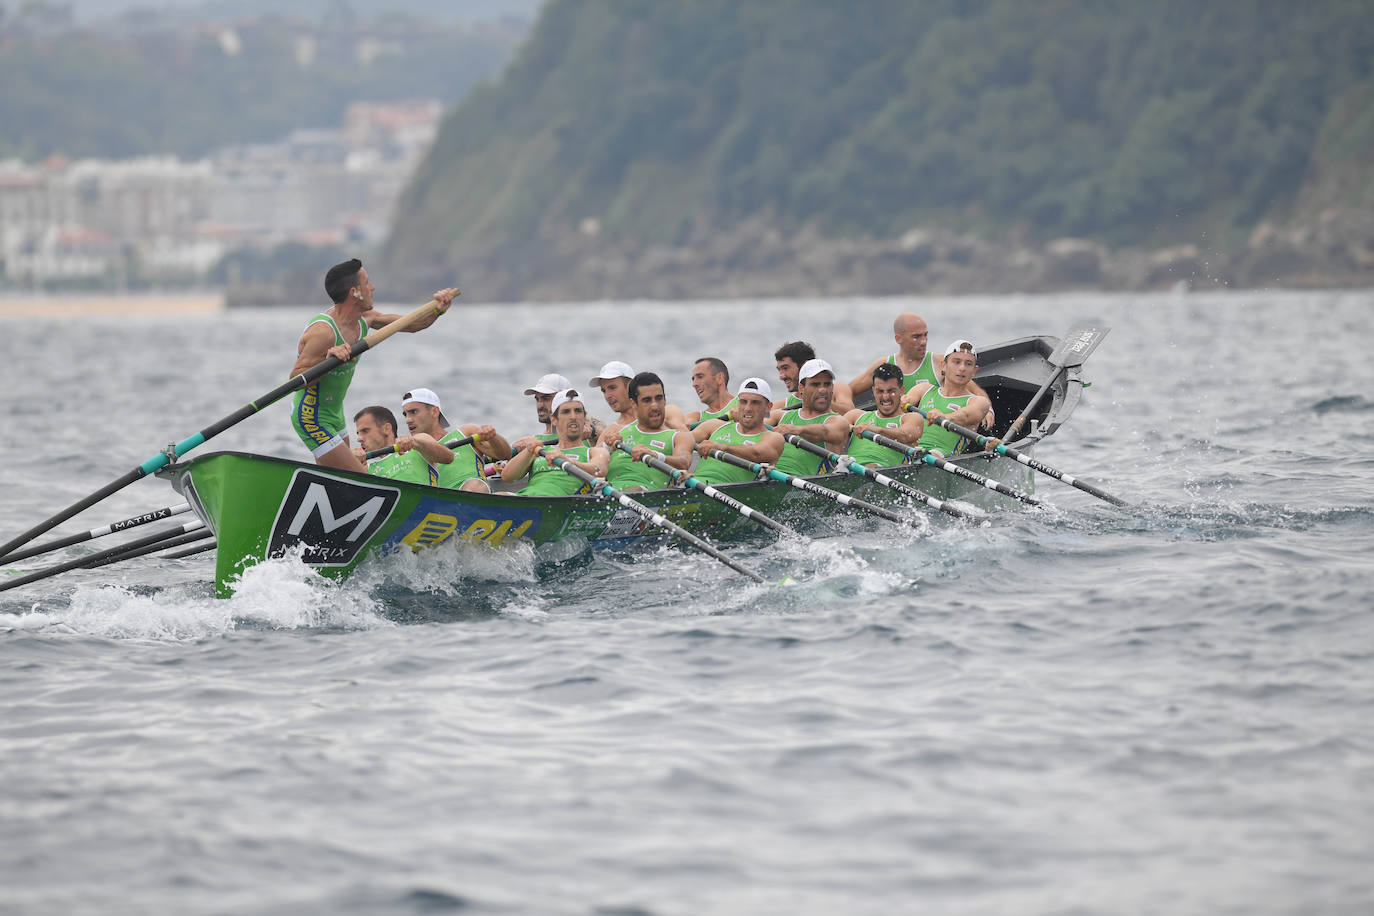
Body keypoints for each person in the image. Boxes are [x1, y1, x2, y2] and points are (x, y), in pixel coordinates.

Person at [289, 258, 456, 473]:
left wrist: (438, 310)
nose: (373, 287)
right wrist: (326, 359)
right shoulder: (323, 333)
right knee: (356, 475)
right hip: (311, 415)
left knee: (337, 478)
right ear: (354, 292)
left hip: (334, 412)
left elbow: (412, 324)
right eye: (367, 283)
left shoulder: (365, 319)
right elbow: (295, 380)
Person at [848, 312, 995, 427]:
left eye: (925, 336)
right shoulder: (883, 365)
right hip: (895, 428)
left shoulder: (939, 363)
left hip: (930, 428)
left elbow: (975, 391)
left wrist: (988, 411)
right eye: (916, 337)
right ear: (899, 338)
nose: (923, 342)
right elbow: (851, 390)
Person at [400, 387, 512, 493]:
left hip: (475, 495)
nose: (408, 420)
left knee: (473, 486)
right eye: (405, 414)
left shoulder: (466, 433)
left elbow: (505, 455)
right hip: (439, 507)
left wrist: (493, 437)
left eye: (413, 412)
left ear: (434, 411)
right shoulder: (409, 452)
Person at [502, 388, 610, 495]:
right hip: (527, 498)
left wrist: (568, 462)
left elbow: (599, 470)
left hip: (560, 504)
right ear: (553, 419)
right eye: (566, 412)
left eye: (578, 411)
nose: (573, 417)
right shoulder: (539, 451)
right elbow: (507, 477)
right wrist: (528, 451)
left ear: (584, 417)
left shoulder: (595, 452)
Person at [603, 372, 694, 491]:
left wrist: (656, 456)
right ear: (634, 404)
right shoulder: (618, 433)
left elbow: (684, 462)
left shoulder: (679, 437)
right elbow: (595, 465)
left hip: (643, 495)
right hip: (608, 492)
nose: (655, 406)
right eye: (647, 400)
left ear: (665, 399)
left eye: (659, 398)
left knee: (635, 490)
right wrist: (605, 448)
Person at [905, 340, 993, 457]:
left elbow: (966, 415)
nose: (962, 368)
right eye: (956, 362)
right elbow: (901, 405)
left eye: (968, 364)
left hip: (942, 457)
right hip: (909, 450)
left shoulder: (979, 401)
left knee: (928, 456)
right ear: (943, 365)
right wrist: (901, 403)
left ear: (974, 371)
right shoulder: (923, 389)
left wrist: (946, 417)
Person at [692, 377, 784, 485]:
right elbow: (682, 439)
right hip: (695, 485)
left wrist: (723, 447)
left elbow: (757, 454)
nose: (748, 408)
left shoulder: (773, 437)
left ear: (768, 407)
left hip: (728, 494)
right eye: (743, 402)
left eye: (755, 403)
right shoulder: (714, 425)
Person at [773, 359, 852, 476]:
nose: (823, 390)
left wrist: (798, 429)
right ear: (801, 388)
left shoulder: (838, 421)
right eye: (815, 384)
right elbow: (756, 422)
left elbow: (825, 431)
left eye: (827, 384)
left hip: (802, 489)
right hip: (769, 479)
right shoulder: (781, 415)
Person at [844, 363, 924, 468]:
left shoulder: (911, 418)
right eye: (880, 391)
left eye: (891, 391)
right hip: (848, 470)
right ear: (873, 391)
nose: (885, 397)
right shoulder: (855, 415)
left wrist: (875, 430)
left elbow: (906, 435)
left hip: (881, 473)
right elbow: (832, 429)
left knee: (872, 466)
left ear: (902, 390)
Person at [350, 405, 453, 485]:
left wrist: (415, 443)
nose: (359, 439)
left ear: (386, 428)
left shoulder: (419, 442)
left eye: (365, 431)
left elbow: (448, 457)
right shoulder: (367, 469)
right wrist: (352, 465)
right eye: (358, 433)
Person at [591, 360, 688, 438]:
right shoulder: (611, 431)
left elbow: (686, 436)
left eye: (612, 388)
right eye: (604, 391)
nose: (607, 396)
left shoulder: (669, 412)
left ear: (629, 386)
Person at [773, 341, 854, 415]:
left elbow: (851, 413)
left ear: (804, 366)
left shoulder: (838, 389)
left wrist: (820, 399)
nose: (781, 376)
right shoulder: (778, 407)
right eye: (779, 370)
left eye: (785, 368)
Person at [685, 357, 736, 425]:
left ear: (719, 378)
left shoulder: (745, 403)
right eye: (693, 379)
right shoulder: (696, 417)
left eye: (700, 377)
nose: (694, 384)